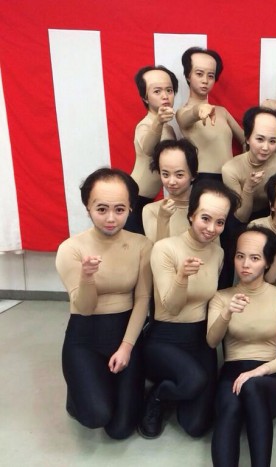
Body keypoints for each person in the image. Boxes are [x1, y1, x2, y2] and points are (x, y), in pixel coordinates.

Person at [138, 180, 240, 439]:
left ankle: (180, 385)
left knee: (196, 426)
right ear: (191, 214)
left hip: (199, 339)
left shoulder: (218, 254)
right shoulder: (165, 248)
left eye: (220, 222)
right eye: (205, 218)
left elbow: (212, 300)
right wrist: (182, 277)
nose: (212, 228)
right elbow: (171, 307)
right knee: (194, 380)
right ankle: (158, 395)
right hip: (165, 337)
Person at [55, 168, 152, 439]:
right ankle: (77, 395)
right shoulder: (71, 249)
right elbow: (84, 308)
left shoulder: (142, 245)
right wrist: (87, 277)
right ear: (88, 207)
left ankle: (108, 383)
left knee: (120, 430)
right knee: (96, 416)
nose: (111, 218)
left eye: (119, 209)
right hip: (85, 337)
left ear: (130, 208)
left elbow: (142, 299)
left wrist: (126, 348)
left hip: (124, 336)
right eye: (101, 209)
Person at [207, 226, 276, 467]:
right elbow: (212, 341)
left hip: (268, 379)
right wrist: (226, 313)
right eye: (240, 256)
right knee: (229, 408)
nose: (245, 264)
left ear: (267, 262)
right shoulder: (221, 297)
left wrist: (257, 372)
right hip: (232, 375)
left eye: (255, 258)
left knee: (252, 386)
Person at [176, 47, 245, 181]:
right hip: (203, 179)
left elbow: (246, 140)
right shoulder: (183, 112)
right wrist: (198, 110)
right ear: (188, 75)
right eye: (199, 74)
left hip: (231, 179)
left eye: (211, 76)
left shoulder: (222, 111)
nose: (205, 80)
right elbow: (186, 118)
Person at [127, 65, 178, 234]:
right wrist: (158, 122)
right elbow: (149, 149)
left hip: (150, 199)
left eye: (169, 90)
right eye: (157, 91)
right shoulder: (145, 125)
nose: (165, 96)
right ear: (145, 97)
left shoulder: (169, 129)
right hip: (135, 197)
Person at [222, 106, 276, 224]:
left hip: (270, 218)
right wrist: (248, 187)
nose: (265, 147)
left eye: (272, 141)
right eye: (260, 139)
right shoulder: (230, 169)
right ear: (247, 138)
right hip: (238, 220)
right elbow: (241, 217)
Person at [142, 138, 198, 243]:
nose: (171, 182)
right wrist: (163, 218)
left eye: (179, 175)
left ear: (193, 175)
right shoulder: (151, 210)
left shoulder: (203, 207)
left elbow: (216, 250)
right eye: (165, 174)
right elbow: (157, 250)